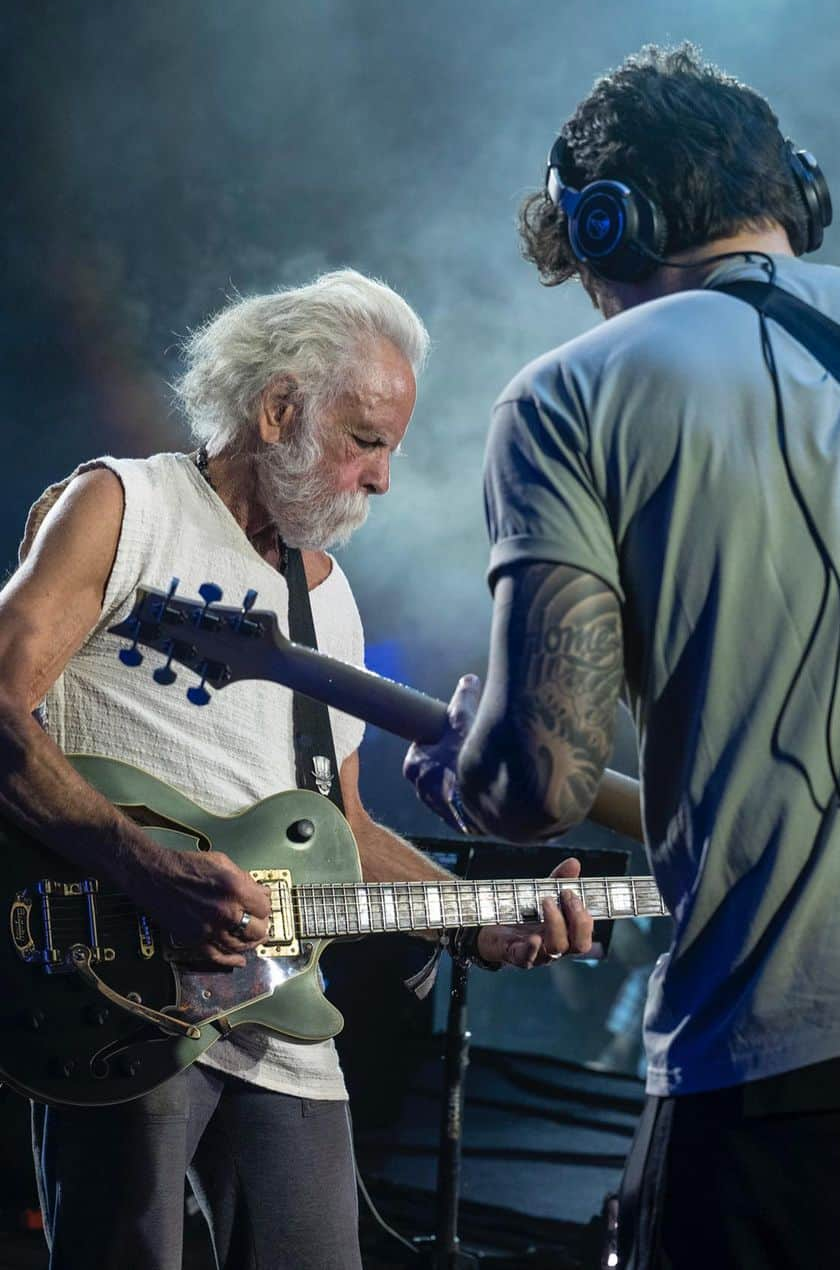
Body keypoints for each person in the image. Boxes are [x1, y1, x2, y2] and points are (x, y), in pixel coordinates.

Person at [404, 45, 840, 1267]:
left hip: (800, 1066)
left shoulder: (572, 394)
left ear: (607, 225)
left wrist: (466, 770)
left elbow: (538, 784)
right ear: (796, 194)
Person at [0, 268, 593, 1270]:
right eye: (367, 440)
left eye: (391, 450)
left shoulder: (330, 599)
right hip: (114, 985)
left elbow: (344, 827)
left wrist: (474, 918)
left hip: (283, 1014)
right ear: (279, 410)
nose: (383, 479)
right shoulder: (123, 504)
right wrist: (150, 872)